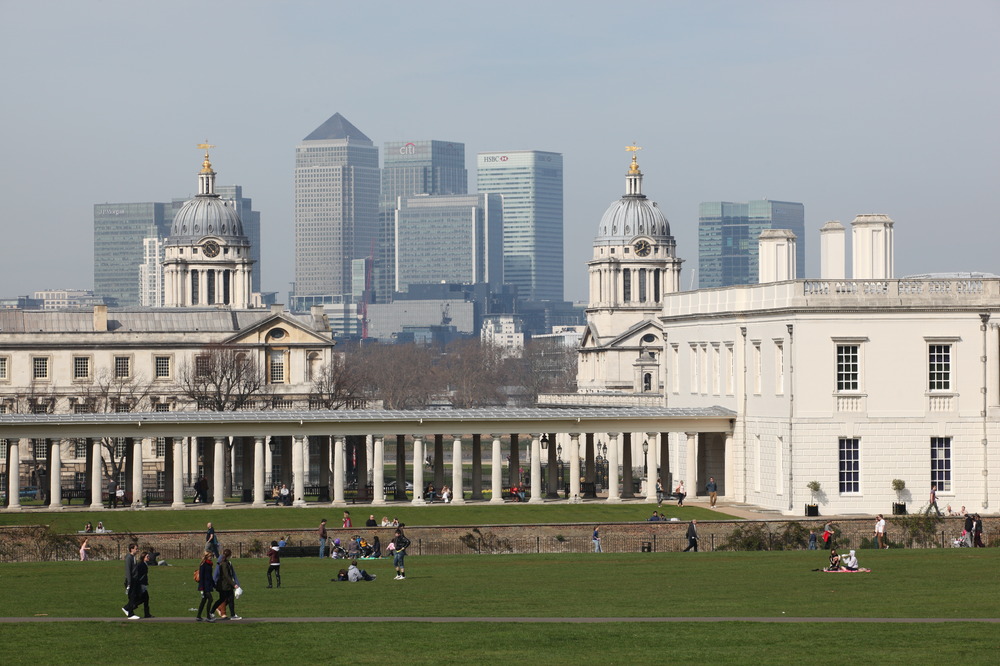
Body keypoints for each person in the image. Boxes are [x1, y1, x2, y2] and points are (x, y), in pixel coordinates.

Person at [212, 548, 242, 620]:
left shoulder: (225, 562)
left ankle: (231, 614)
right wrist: (234, 584)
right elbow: (227, 576)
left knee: (227, 599)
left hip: (225, 585)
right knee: (226, 599)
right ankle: (232, 614)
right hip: (225, 585)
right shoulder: (224, 564)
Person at [121, 543, 141, 619]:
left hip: (135, 580)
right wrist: (129, 582)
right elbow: (128, 570)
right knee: (132, 597)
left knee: (135, 596)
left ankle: (127, 609)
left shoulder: (133, 557)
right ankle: (130, 614)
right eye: (136, 548)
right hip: (131, 580)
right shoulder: (129, 557)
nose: (137, 550)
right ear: (131, 549)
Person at [196, 551, 216, 621]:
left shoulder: (210, 564)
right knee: (210, 599)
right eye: (210, 556)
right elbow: (201, 577)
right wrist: (201, 588)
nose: (211, 557)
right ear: (206, 557)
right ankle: (208, 616)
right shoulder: (203, 564)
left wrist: (214, 585)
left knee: (204, 600)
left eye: (211, 556)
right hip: (204, 586)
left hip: (209, 584)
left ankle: (198, 616)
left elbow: (210, 576)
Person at [133, 551, 154, 618]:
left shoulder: (144, 564)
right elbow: (139, 575)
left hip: (143, 583)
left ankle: (146, 613)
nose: (148, 557)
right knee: (144, 598)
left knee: (145, 599)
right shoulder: (142, 564)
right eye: (147, 556)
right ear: (143, 557)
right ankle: (132, 606)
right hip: (141, 584)